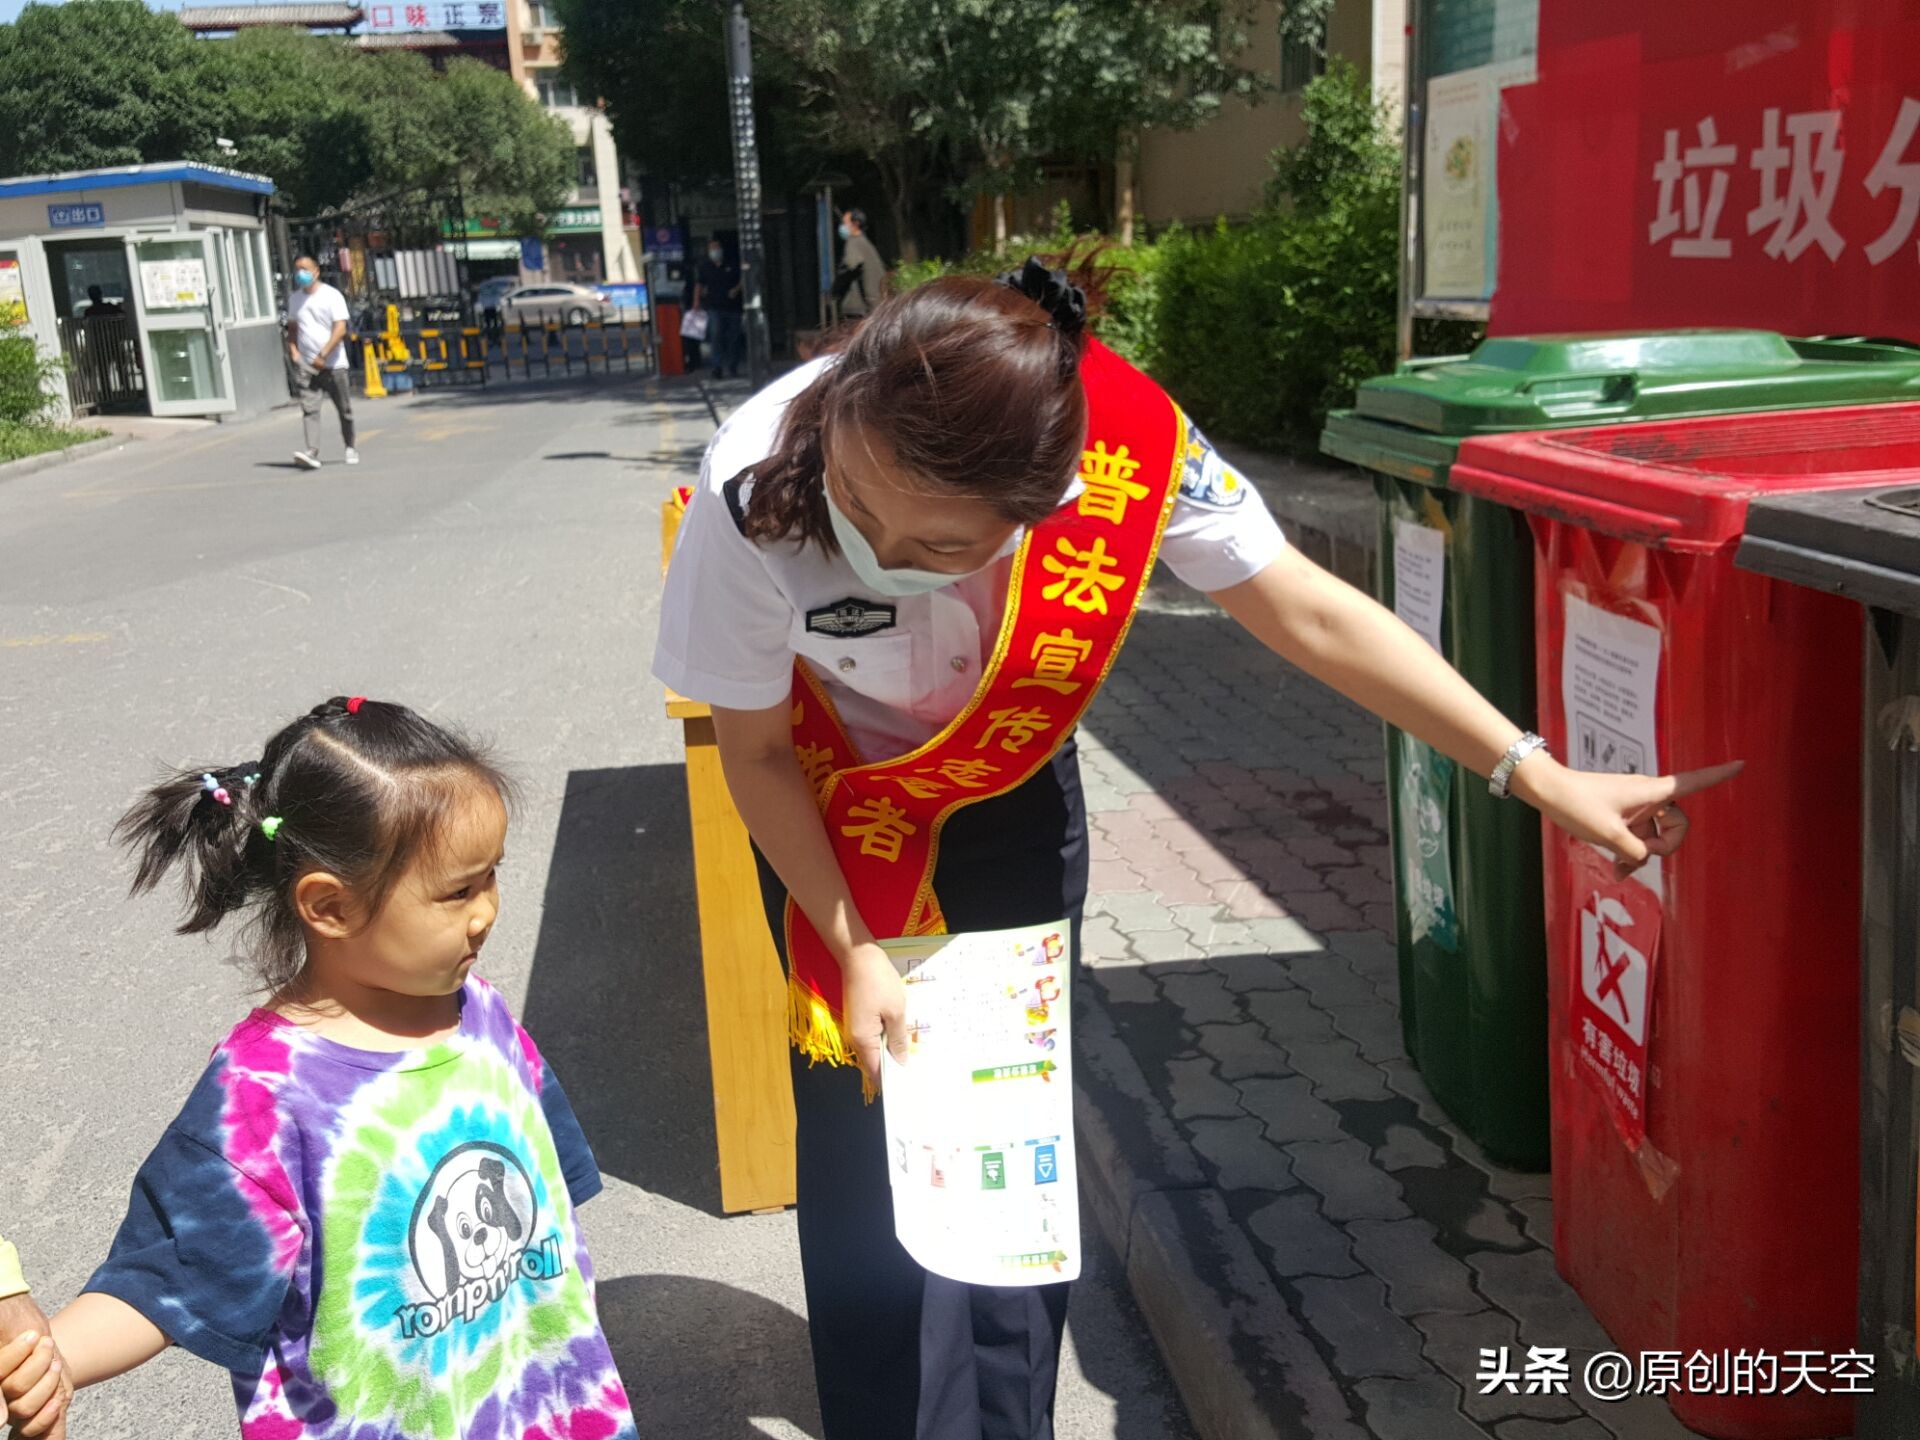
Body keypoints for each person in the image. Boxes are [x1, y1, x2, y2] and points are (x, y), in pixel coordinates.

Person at [652, 260, 1741, 1440]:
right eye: (862, 509)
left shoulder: (1123, 458)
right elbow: (753, 755)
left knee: (1004, 1136)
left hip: (1004, 786)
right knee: (865, 1134)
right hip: (836, 816)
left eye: (937, 544)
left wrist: (1537, 773)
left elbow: (1310, 612)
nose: (883, 547)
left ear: (1045, 508)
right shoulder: (754, 483)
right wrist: (852, 947)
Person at [0, 697, 637, 1440]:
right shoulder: (264, 1092)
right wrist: (54, 1361)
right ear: (329, 907)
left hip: (552, 1410)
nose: (486, 912)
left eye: (491, 876)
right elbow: (174, 1276)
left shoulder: (480, 1012)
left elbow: (543, 1202)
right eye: (457, 891)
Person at [284, 256, 357, 470]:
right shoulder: (295, 299)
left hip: (333, 364)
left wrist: (324, 354)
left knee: (344, 409)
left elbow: (340, 328)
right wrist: (294, 352)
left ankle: (350, 445)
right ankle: (311, 451)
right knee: (310, 409)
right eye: (297, 270)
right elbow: (292, 329)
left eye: (305, 269)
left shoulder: (332, 296)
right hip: (307, 366)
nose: (300, 274)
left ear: (316, 271)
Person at [693, 238, 744, 380]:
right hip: (714, 307)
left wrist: (736, 289)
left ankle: (733, 366)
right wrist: (696, 301)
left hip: (733, 307)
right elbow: (699, 285)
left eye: (717, 247)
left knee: (734, 337)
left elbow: (744, 278)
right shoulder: (705, 266)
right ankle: (717, 367)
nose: (715, 251)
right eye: (712, 248)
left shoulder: (732, 264)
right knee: (716, 336)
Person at [832, 208, 886, 320]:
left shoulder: (854, 242)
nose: (842, 227)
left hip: (859, 306)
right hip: (874, 304)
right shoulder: (865, 243)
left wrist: (835, 289)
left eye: (845, 223)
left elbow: (849, 267)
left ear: (855, 224)